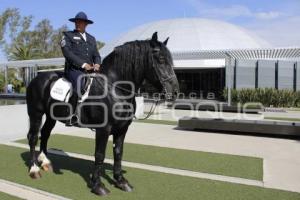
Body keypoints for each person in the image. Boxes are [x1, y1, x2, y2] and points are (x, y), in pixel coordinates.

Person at [60, 11, 101, 125]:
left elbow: (96, 55)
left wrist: (97, 64)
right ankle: (71, 115)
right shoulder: (67, 35)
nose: (78, 24)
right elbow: (67, 53)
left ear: (86, 24)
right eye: (76, 22)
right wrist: (83, 64)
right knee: (79, 86)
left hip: (90, 71)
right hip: (74, 70)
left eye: (81, 22)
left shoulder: (91, 39)